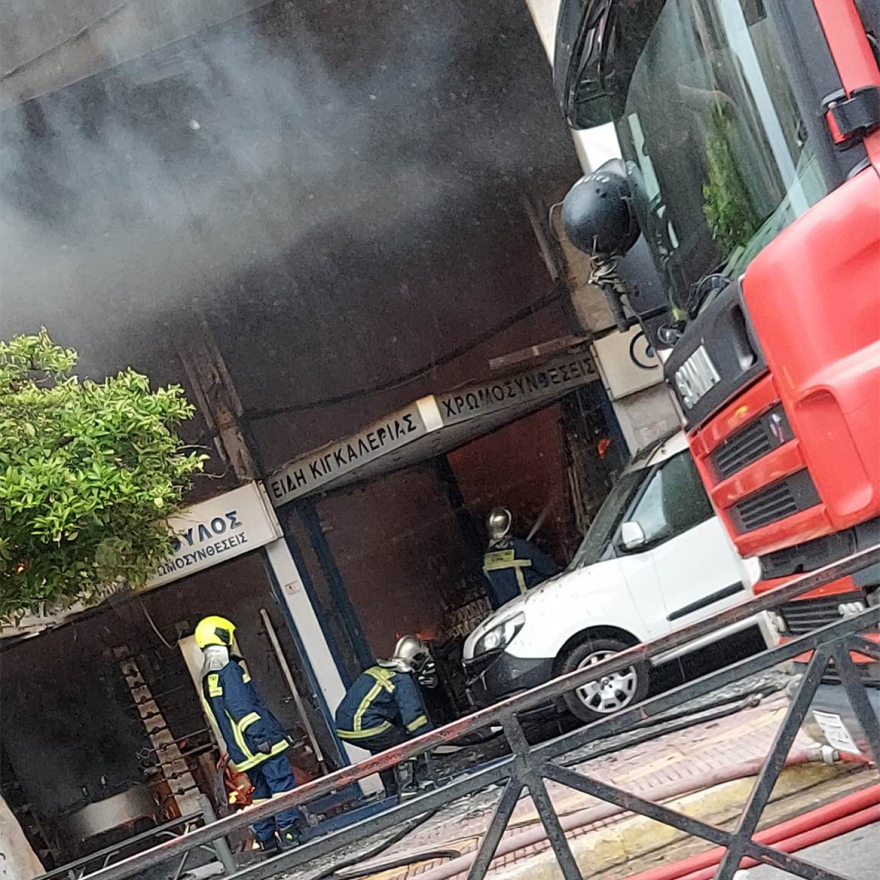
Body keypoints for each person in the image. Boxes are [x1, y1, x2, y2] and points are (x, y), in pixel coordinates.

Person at [195, 615, 303, 854]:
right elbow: (241, 707)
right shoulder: (228, 669)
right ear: (222, 636)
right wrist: (260, 735)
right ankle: (289, 831)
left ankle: (267, 839)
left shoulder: (208, 676)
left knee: (261, 793)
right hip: (259, 743)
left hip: (241, 749)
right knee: (282, 783)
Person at [335, 636, 434, 799]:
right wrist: (428, 737)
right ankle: (409, 788)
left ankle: (391, 792)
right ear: (416, 659)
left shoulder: (377, 671)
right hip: (366, 724)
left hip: (345, 727)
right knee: (405, 745)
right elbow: (413, 717)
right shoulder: (401, 679)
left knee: (383, 751)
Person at [482, 507, 560, 609]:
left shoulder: (486, 560)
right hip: (534, 604)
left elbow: (493, 598)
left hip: (510, 613)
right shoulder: (522, 549)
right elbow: (551, 570)